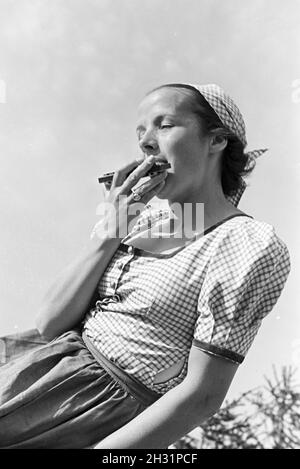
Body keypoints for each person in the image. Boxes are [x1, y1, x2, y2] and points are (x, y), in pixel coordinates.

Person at [0, 83, 291, 449]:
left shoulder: (246, 243)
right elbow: (49, 322)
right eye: (141, 133)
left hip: (94, 417)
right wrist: (109, 232)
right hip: (33, 373)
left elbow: (202, 395)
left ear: (216, 141)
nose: (147, 143)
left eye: (164, 125)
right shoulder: (135, 220)